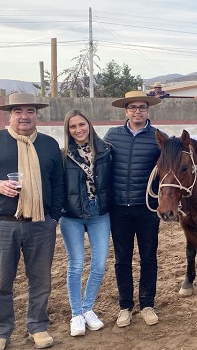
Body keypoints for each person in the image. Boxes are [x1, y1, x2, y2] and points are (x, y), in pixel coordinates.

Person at [0, 93, 64, 350]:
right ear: (9, 115)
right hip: (2, 224)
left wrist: (54, 217)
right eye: (18, 111)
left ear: (36, 115)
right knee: (1, 282)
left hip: (40, 224)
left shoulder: (49, 145)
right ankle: (0, 332)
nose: (24, 116)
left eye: (30, 110)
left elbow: (59, 183)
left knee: (41, 280)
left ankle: (38, 326)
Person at [104, 90, 162, 328]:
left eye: (141, 107)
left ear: (147, 110)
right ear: (126, 111)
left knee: (148, 257)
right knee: (122, 259)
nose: (137, 111)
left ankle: (147, 304)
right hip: (118, 208)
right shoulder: (112, 136)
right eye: (132, 107)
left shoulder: (159, 138)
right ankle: (125, 306)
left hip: (147, 207)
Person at [60, 109, 112, 336]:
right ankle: (76, 315)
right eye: (73, 127)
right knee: (76, 265)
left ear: (89, 126)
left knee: (99, 265)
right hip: (71, 215)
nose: (78, 130)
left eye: (82, 125)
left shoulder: (106, 151)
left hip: (99, 213)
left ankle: (87, 307)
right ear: (68, 131)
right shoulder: (63, 156)